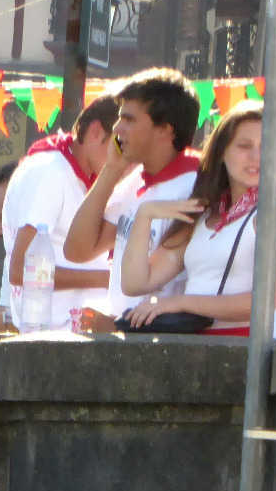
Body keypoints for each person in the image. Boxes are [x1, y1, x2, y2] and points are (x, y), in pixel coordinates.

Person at [120, 101, 276, 333]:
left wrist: (180, 302)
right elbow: (135, 283)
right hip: (192, 346)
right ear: (222, 152)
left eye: (267, 147)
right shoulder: (205, 214)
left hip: (243, 349)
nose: (257, 157)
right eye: (244, 146)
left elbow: (263, 302)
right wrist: (146, 214)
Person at [60, 67, 201, 325]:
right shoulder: (135, 179)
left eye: (128, 119)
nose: (116, 128)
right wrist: (111, 170)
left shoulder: (197, 185)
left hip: (160, 342)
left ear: (165, 130)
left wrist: (116, 325)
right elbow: (77, 250)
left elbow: (151, 280)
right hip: (123, 337)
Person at [0, 97, 119, 324]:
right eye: (120, 144)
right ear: (95, 132)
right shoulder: (50, 171)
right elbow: (21, 270)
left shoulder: (81, 176)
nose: (125, 157)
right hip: (51, 334)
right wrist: (106, 278)